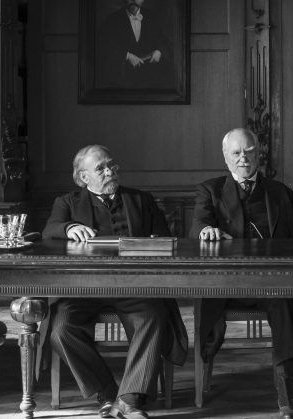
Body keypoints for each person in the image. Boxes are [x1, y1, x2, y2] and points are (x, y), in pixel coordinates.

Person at [193, 128, 293, 419]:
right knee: (286, 291)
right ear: (226, 157)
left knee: (281, 296)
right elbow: (199, 226)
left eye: (249, 152)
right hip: (229, 286)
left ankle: (287, 398)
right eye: (236, 153)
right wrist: (206, 230)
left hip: (274, 285)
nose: (243, 158)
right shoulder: (210, 190)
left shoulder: (280, 192)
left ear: (259, 154)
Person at [41, 145, 188, 419]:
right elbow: (49, 231)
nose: (110, 172)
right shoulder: (67, 202)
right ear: (84, 177)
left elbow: (164, 237)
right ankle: (108, 394)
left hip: (134, 286)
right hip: (84, 289)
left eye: (111, 166)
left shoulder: (141, 199)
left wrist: (153, 243)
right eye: (101, 168)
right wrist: (69, 227)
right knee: (61, 330)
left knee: (153, 316)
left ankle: (130, 401)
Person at [95, 0, 178, 89]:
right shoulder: (112, 19)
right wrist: (127, 56)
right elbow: (103, 47)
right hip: (123, 79)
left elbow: (164, 41)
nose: (134, 0)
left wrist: (159, 51)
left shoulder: (152, 16)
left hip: (151, 77)